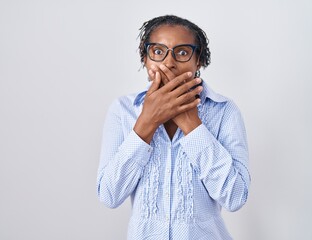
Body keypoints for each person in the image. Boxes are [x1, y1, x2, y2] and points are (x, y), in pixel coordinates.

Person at [96, 15, 250, 240]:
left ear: (198, 61)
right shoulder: (122, 111)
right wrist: (146, 122)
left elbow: (235, 197)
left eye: (182, 52)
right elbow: (110, 195)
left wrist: (191, 124)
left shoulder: (224, 111)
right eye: (158, 51)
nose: (169, 63)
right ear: (145, 58)